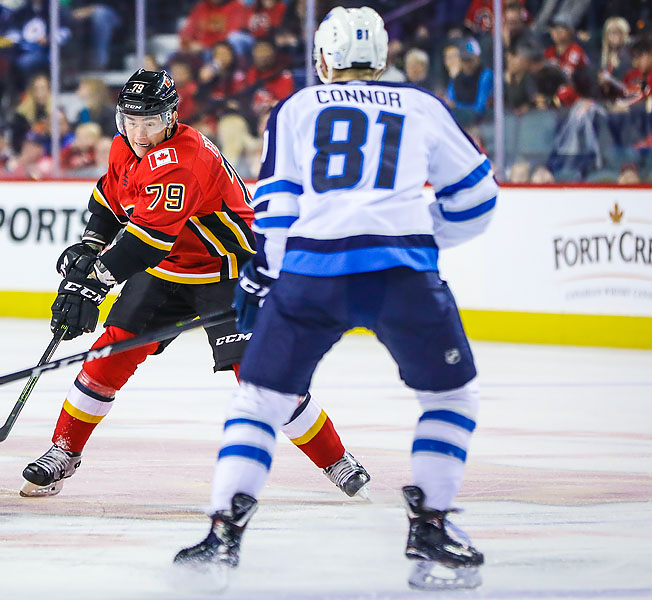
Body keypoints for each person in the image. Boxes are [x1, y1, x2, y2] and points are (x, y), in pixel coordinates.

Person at [174, 6, 497, 591]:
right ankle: (431, 525)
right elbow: (477, 202)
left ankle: (223, 531)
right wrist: (420, 235)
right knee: (450, 396)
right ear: (383, 59)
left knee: (261, 401)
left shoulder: (295, 108)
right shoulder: (422, 106)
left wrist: (260, 277)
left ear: (323, 58)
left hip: (311, 275)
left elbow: (275, 208)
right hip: (402, 274)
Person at [19, 68, 370, 502]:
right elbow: (109, 202)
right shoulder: (123, 147)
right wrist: (89, 249)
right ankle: (64, 450)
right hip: (168, 269)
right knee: (107, 356)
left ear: (170, 118)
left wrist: (93, 284)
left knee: (259, 376)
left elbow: (147, 241)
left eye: (149, 121)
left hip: (225, 270)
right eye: (130, 120)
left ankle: (335, 459)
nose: (139, 132)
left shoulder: (183, 159)